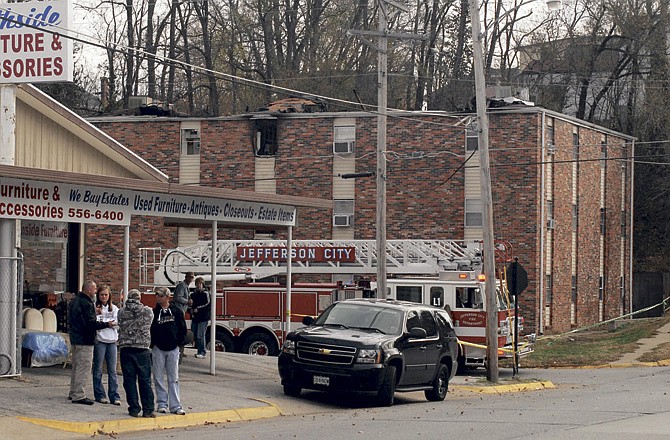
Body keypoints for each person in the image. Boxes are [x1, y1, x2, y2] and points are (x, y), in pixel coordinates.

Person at [68, 280, 116, 405]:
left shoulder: (75, 301)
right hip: (85, 340)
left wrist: (94, 313)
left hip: (75, 338)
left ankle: (73, 391)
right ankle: (79, 395)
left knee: (76, 366)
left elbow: (79, 318)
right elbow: (90, 323)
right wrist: (107, 324)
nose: (95, 292)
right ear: (89, 290)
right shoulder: (86, 303)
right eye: (95, 290)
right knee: (84, 367)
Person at [117, 289, 155, 418]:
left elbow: (120, 325)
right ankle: (148, 409)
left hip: (126, 348)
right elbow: (150, 323)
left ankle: (134, 408)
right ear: (139, 298)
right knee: (144, 380)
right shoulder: (147, 311)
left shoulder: (121, 312)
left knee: (129, 380)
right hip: (142, 348)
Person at [150, 286, 187, 415]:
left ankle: (176, 406)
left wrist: (179, 343)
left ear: (167, 296)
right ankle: (161, 404)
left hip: (173, 349)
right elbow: (151, 329)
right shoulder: (154, 312)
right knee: (158, 377)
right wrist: (153, 344)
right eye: (156, 295)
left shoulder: (176, 311)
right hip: (158, 349)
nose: (157, 297)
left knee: (173, 378)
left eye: (160, 295)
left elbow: (182, 328)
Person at [92, 285, 121, 405]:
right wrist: (106, 323)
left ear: (109, 296)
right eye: (101, 295)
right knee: (98, 369)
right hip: (100, 340)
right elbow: (95, 322)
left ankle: (114, 396)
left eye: (106, 295)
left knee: (112, 370)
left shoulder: (114, 308)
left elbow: (117, 322)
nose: (104, 297)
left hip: (112, 341)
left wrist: (107, 323)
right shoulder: (95, 308)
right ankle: (100, 395)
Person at [173, 271, 194, 361]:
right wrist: (187, 301)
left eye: (192, 277)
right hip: (179, 310)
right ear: (186, 277)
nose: (190, 279)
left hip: (182, 310)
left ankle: (181, 351)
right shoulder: (182, 286)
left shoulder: (186, 286)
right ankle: (179, 351)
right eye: (189, 277)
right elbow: (178, 297)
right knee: (180, 330)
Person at [189, 277, 210, 359]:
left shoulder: (206, 294)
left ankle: (202, 352)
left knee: (200, 335)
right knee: (194, 334)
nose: (198, 286)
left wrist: (198, 309)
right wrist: (190, 310)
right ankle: (199, 351)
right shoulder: (193, 294)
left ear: (203, 284)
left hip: (203, 317)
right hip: (195, 317)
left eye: (200, 284)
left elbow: (208, 304)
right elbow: (190, 305)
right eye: (197, 284)